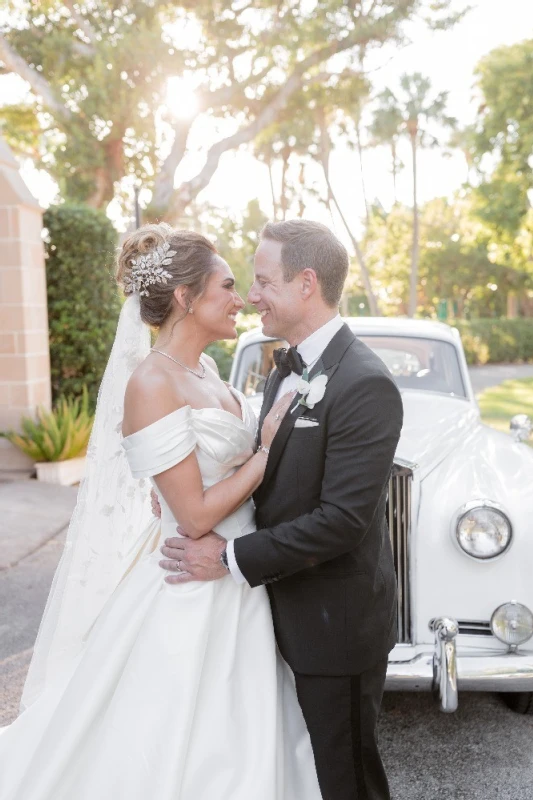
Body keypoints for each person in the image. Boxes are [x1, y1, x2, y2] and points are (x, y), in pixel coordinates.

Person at [0, 225, 322, 800]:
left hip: (237, 574)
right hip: (191, 583)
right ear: (185, 298)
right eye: (226, 286)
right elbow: (194, 516)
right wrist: (267, 453)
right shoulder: (150, 382)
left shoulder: (207, 373)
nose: (240, 298)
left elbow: (199, 479)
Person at [158, 219, 404, 800]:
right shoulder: (286, 367)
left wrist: (228, 556)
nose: (251, 295)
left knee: (344, 779)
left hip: (332, 626)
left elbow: (342, 521)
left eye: (263, 281)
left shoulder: (365, 383)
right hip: (267, 614)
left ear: (306, 284)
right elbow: (263, 470)